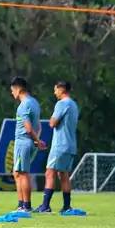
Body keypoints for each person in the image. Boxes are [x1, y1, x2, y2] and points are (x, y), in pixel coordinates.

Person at [38, 81, 84, 215]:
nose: (54, 93)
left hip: (60, 145)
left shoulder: (62, 103)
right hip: (71, 144)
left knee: (50, 173)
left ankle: (45, 205)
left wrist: (52, 119)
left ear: (61, 90)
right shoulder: (74, 104)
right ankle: (66, 206)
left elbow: (53, 123)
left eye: (55, 90)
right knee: (64, 175)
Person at [9, 77, 45, 213]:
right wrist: (37, 139)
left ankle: (26, 206)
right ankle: (21, 205)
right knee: (17, 173)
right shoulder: (34, 102)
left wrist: (37, 140)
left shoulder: (23, 105)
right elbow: (39, 125)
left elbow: (29, 128)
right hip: (29, 141)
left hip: (23, 141)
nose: (12, 93)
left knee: (23, 173)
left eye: (12, 90)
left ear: (18, 89)